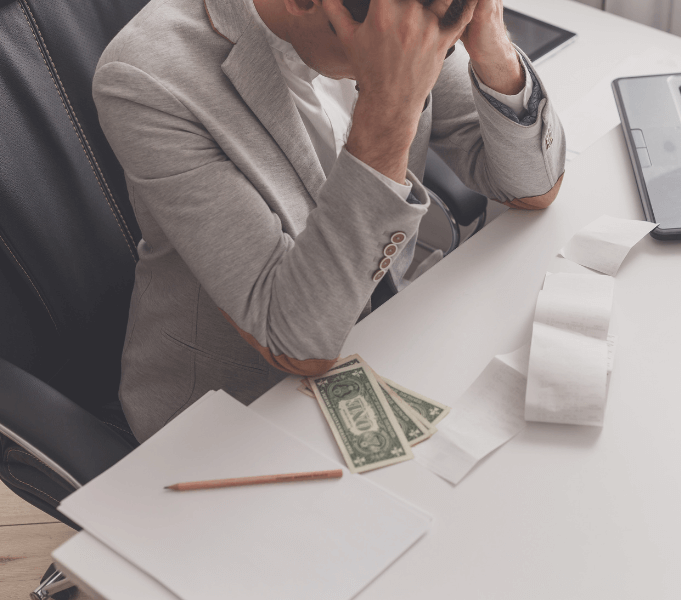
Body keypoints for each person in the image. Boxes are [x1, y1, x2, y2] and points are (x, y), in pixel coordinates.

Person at [94, 0, 566, 442]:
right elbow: (295, 338)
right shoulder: (146, 74)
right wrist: (390, 102)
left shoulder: (400, 12)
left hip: (394, 334)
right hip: (235, 415)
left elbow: (531, 184)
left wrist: (490, 42)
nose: (429, 54)